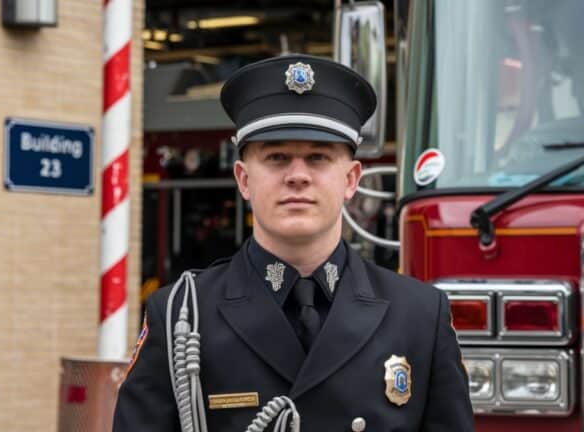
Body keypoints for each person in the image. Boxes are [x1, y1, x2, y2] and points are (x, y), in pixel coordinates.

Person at [113, 54, 474, 431]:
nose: (297, 176)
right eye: (277, 157)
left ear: (351, 179)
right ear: (243, 179)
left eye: (318, 157)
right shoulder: (181, 317)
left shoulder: (419, 316)